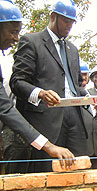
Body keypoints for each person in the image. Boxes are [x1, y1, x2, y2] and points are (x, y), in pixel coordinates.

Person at [9, 0, 88, 172]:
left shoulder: (73, 50)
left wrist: (89, 98)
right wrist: (40, 93)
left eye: (72, 22)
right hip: (46, 120)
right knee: (46, 172)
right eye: (66, 21)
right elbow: (17, 81)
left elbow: (76, 85)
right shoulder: (32, 41)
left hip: (75, 118)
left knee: (79, 169)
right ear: (53, 17)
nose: (69, 26)